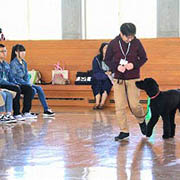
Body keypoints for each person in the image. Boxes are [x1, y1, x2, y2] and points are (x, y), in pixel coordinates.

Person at [104, 23, 148, 141]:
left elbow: (144, 58)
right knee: (119, 106)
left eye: (132, 37)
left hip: (133, 78)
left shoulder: (137, 42)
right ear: (121, 34)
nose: (130, 39)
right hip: (118, 79)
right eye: (127, 37)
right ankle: (124, 131)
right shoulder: (113, 43)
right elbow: (107, 59)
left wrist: (133, 65)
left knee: (134, 104)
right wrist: (116, 67)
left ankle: (141, 121)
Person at [10, 44, 55, 117]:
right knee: (34, 89)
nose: (23, 53)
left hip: (25, 83)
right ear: (16, 52)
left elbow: (26, 75)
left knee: (35, 89)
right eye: (21, 51)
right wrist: (27, 84)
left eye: (24, 51)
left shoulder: (24, 62)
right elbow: (16, 78)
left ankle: (43, 109)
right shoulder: (13, 64)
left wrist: (28, 83)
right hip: (18, 84)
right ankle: (27, 111)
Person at [0, 44, 37, 120]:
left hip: (9, 83)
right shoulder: (11, 63)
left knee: (28, 88)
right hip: (2, 84)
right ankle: (16, 113)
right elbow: (1, 80)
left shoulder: (6, 64)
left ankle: (26, 112)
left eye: (5, 51)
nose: (4, 53)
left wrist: (15, 83)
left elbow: (11, 77)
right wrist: (13, 84)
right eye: (2, 51)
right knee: (16, 89)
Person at [91, 42, 113, 110]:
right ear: (102, 49)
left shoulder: (112, 58)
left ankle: (102, 104)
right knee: (96, 83)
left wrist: (111, 72)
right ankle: (97, 103)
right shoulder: (97, 58)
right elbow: (95, 69)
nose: (107, 50)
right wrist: (104, 73)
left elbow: (115, 68)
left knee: (106, 84)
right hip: (99, 76)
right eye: (105, 48)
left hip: (108, 77)